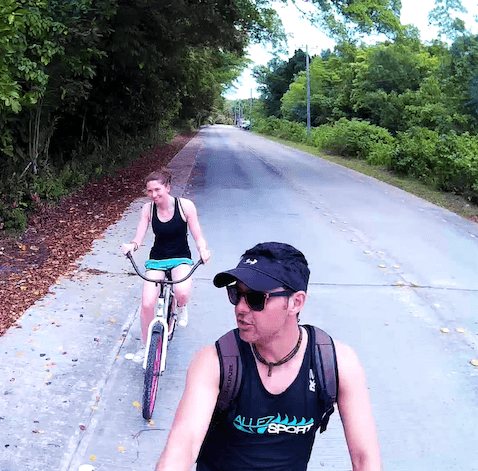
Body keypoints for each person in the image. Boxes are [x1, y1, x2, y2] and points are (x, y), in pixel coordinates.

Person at [156, 242, 381, 471]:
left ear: (296, 302)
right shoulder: (216, 362)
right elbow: (181, 450)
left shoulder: (334, 363)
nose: (240, 308)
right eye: (236, 294)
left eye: (255, 298)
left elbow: (365, 459)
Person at [120, 168, 210, 363]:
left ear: (167, 187)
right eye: (150, 191)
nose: (154, 195)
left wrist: (203, 249)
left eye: (157, 189)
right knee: (147, 303)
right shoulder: (148, 209)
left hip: (180, 258)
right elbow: (138, 238)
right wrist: (131, 246)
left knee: (182, 291)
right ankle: (146, 348)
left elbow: (197, 234)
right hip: (157, 259)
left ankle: (180, 307)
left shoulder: (185, 206)